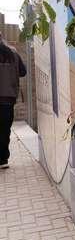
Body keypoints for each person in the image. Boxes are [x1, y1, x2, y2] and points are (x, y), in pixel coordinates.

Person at [0, 32, 26, 169]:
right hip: (8, 98)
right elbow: (23, 72)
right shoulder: (13, 52)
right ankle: (3, 160)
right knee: (5, 130)